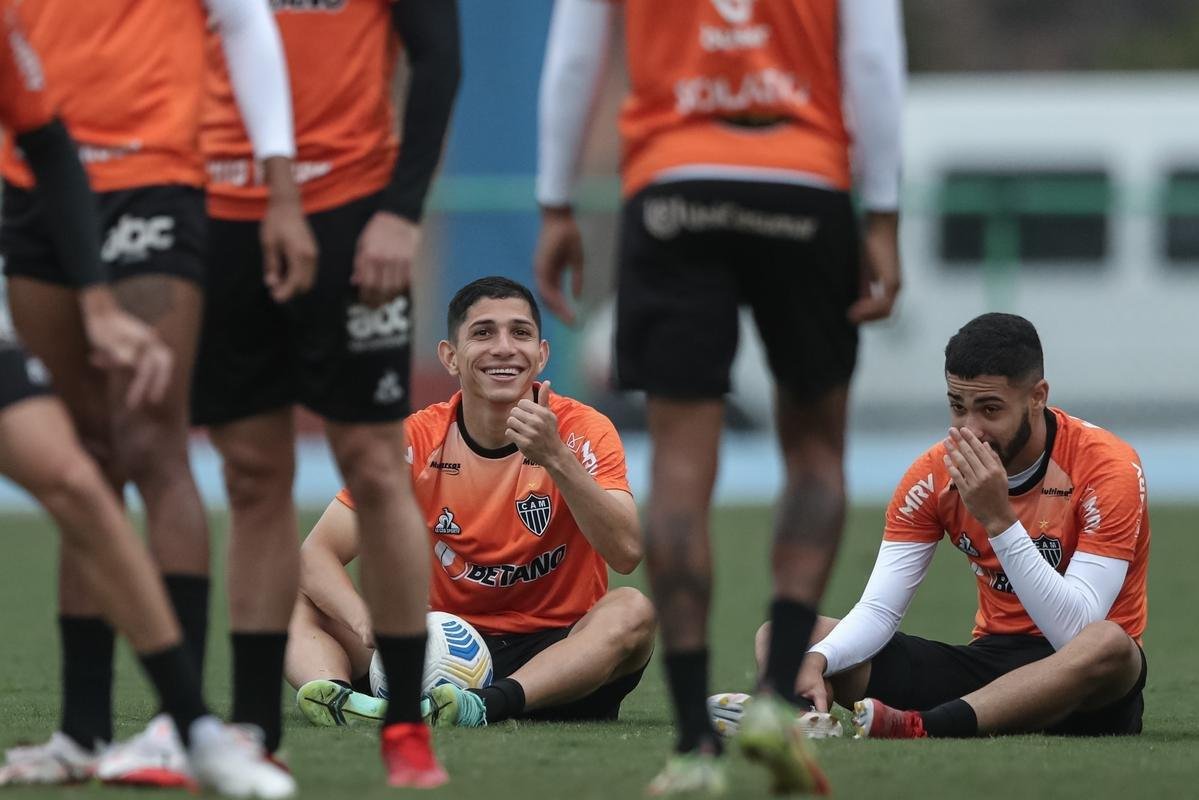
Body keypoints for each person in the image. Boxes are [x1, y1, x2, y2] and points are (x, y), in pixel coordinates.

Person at [534, 0, 905, 793]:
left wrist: (556, 201)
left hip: (674, 187)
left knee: (677, 469)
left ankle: (694, 747)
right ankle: (773, 702)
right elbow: (873, 59)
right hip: (802, 184)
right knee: (814, 453)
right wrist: (881, 212)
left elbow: (574, 57)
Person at [0, 0, 312, 787]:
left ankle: (182, 725)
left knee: (150, 443)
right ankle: (82, 732)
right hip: (32, 184)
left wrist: (280, 186)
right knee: (82, 456)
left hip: (149, 178)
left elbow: (245, 23)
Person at [195, 0, 461, 787]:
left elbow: (439, 59)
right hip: (223, 214)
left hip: (352, 210)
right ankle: (254, 729)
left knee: (375, 466)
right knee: (252, 476)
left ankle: (406, 722)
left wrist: (401, 212)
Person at [737, 313, 1150, 742]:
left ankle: (925, 726)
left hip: (1085, 686)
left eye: (990, 409)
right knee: (785, 634)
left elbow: (1075, 630)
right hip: (988, 665)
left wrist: (998, 520)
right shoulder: (932, 475)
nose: (970, 430)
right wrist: (820, 657)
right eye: (957, 407)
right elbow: (879, 610)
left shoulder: (1108, 467)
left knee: (1110, 643)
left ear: (1037, 397)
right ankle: (800, 711)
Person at [287, 277, 654, 729]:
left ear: (541, 354)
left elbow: (626, 553)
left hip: (556, 653)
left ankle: (487, 704)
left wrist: (556, 458)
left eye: (520, 333)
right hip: (440, 646)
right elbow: (315, 555)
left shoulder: (583, 431)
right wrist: (366, 621)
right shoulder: (415, 440)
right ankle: (340, 699)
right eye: (483, 333)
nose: (504, 348)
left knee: (634, 610)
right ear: (450, 356)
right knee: (290, 595)